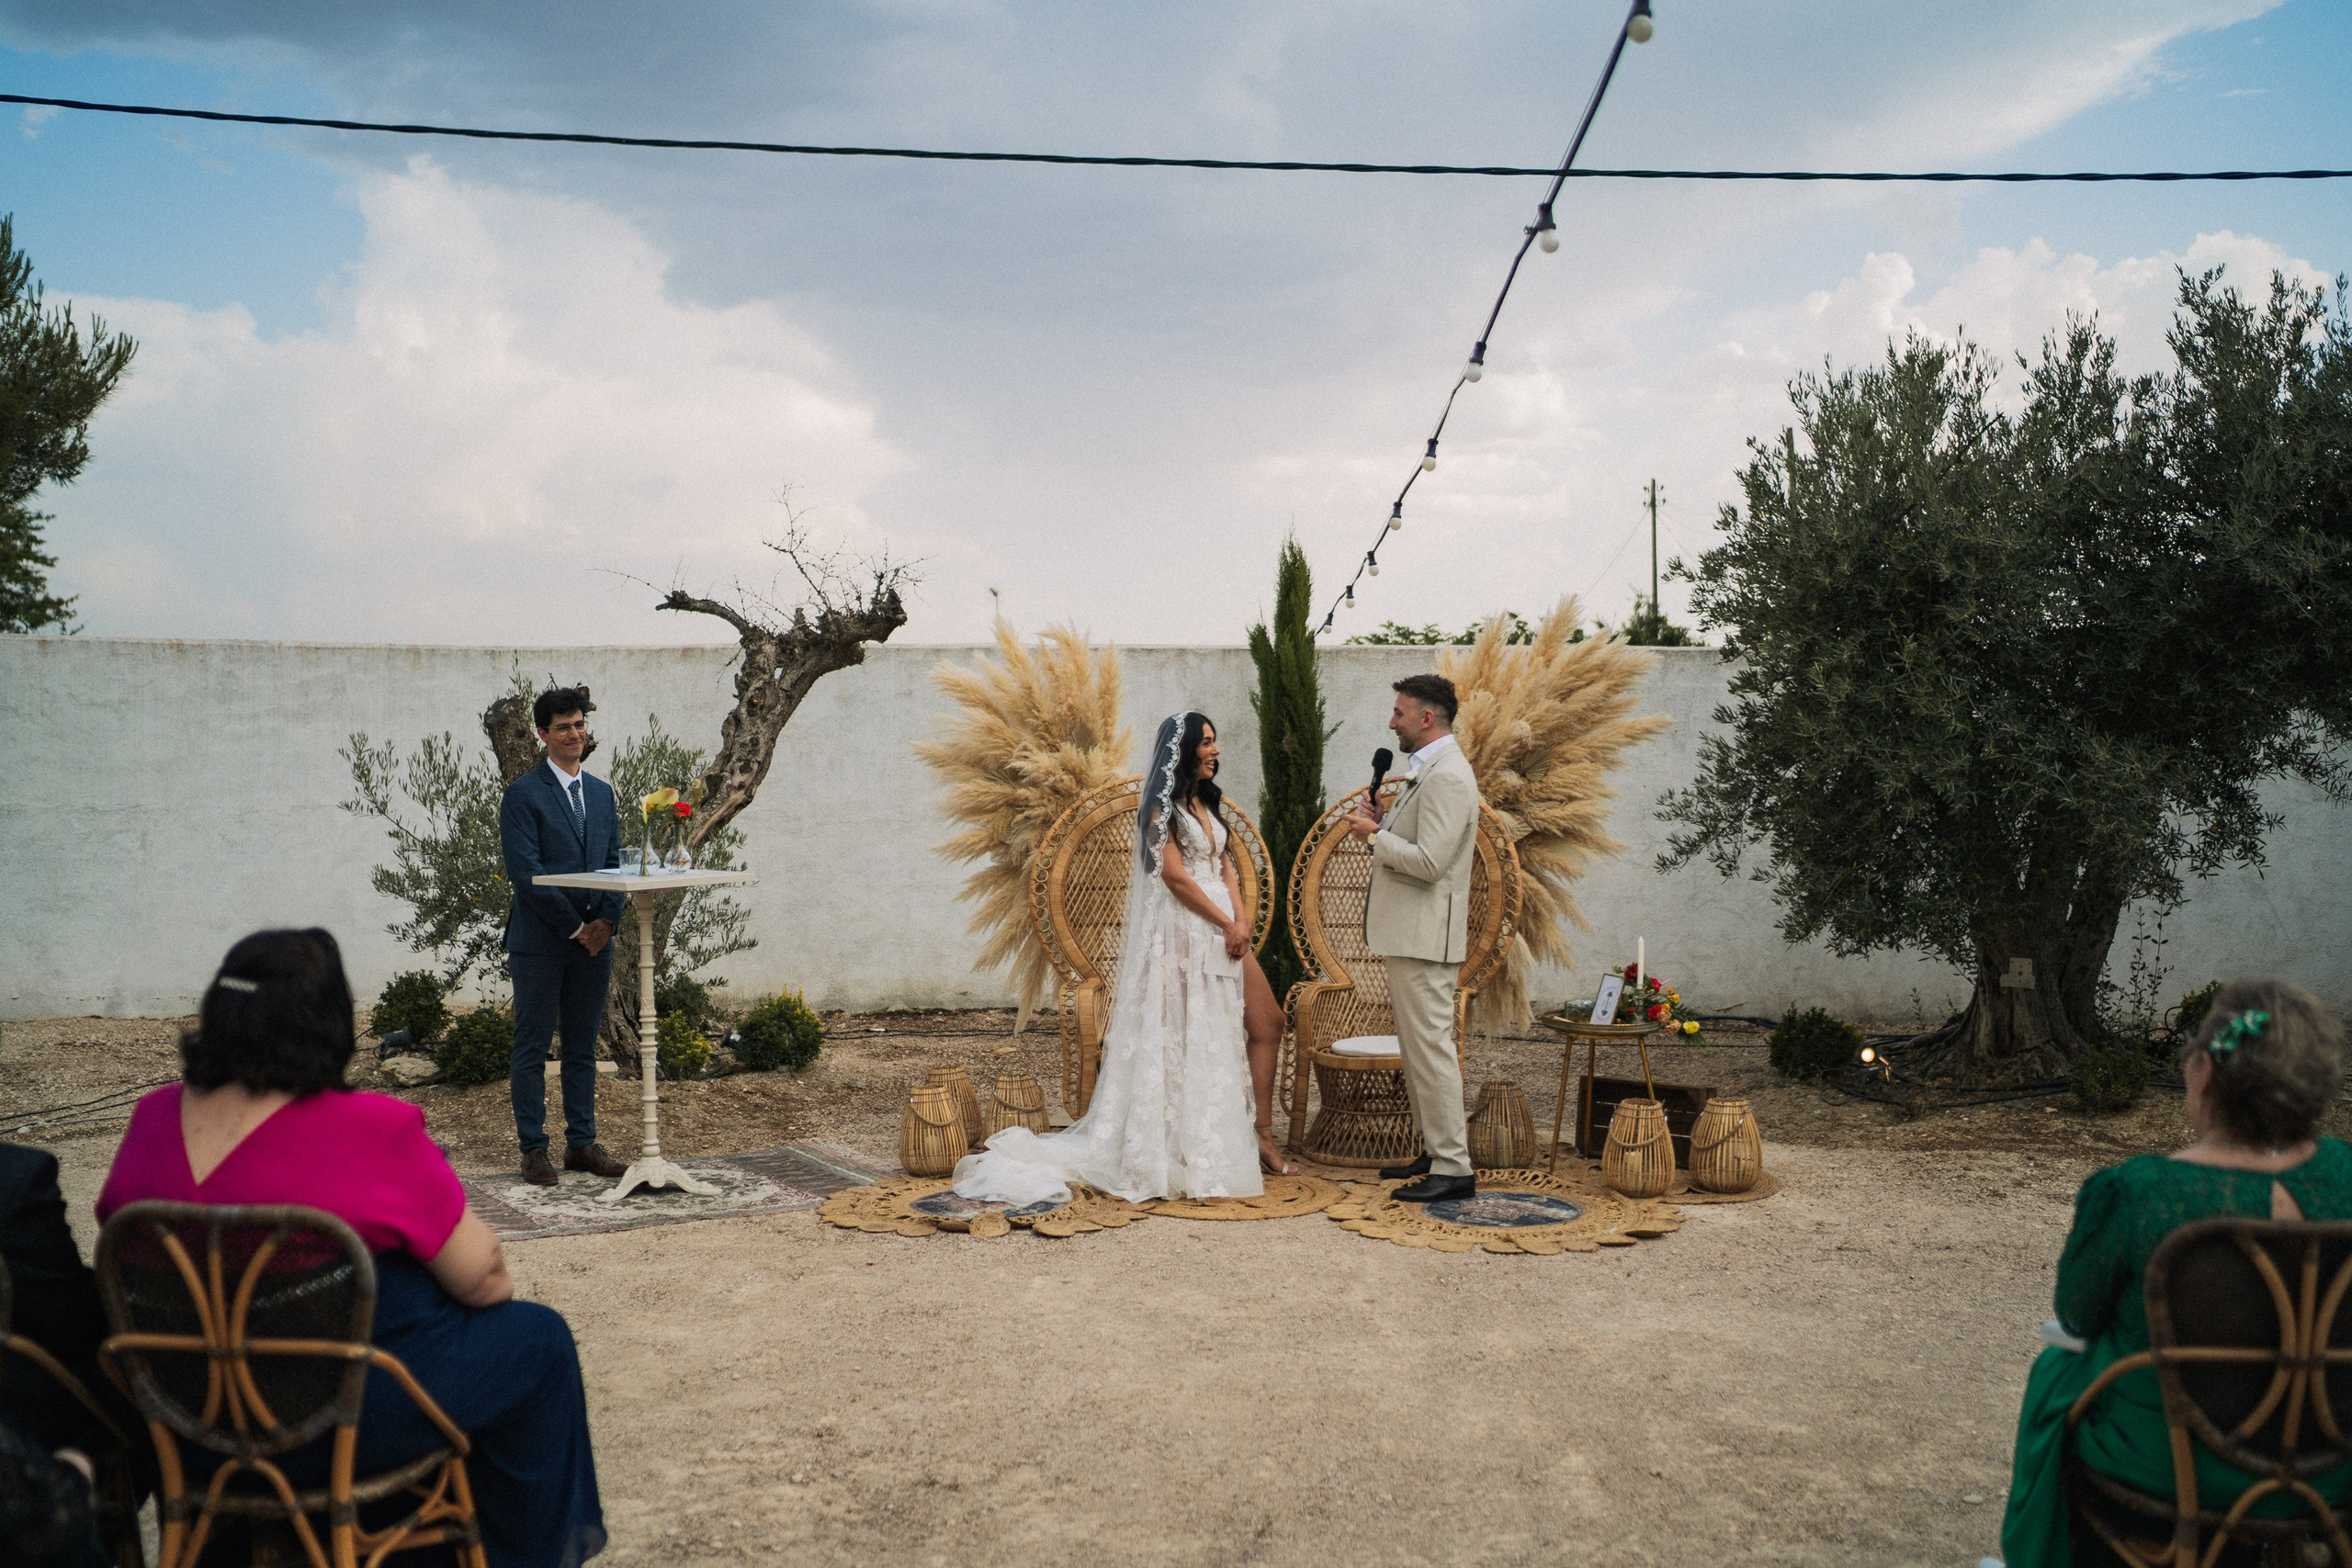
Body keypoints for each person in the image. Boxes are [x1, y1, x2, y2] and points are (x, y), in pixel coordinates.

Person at [96, 929, 605, 1568]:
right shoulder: (371, 1128)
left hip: (184, 1424)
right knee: (539, 1341)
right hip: (329, 1430)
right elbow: (487, 1281)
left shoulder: (151, 1120)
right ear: (328, 1022)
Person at [1996, 979, 2352, 1568]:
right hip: (2332, 1466)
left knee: (2058, 1367)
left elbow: (2079, 1315)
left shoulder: (2137, 1192)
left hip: (2172, 1471)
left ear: (2202, 1074)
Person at [953, 712, 1288, 1204]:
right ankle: (1184, 1145)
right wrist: (1223, 924)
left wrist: (1241, 924)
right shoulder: (1159, 811)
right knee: (1187, 1036)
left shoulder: (1208, 803)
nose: (1216, 751)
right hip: (1186, 931)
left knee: (1269, 1021)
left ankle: (1260, 1132)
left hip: (1226, 929)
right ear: (1186, 750)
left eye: (1216, 742)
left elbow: (1227, 868)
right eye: (1208, 743)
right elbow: (1175, 878)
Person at [1344, 673, 1480, 1203]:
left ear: (1427, 718)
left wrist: (1375, 836)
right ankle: (1433, 1151)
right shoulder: (1430, 770)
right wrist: (1384, 828)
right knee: (1418, 1049)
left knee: (1431, 1050)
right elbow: (1418, 847)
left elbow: (1429, 864)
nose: (1391, 722)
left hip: (1426, 940)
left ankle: (1453, 1167)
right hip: (1410, 937)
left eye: (1399, 713)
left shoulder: (1447, 776)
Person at [500, 687, 628, 1187]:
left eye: (579, 725)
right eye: (563, 727)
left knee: (581, 1047)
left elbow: (614, 862)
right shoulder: (522, 795)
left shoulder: (601, 793)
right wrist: (577, 928)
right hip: (540, 942)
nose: (575, 734)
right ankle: (534, 1149)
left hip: (595, 943)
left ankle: (582, 1143)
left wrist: (607, 924)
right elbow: (526, 875)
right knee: (532, 1047)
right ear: (542, 734)